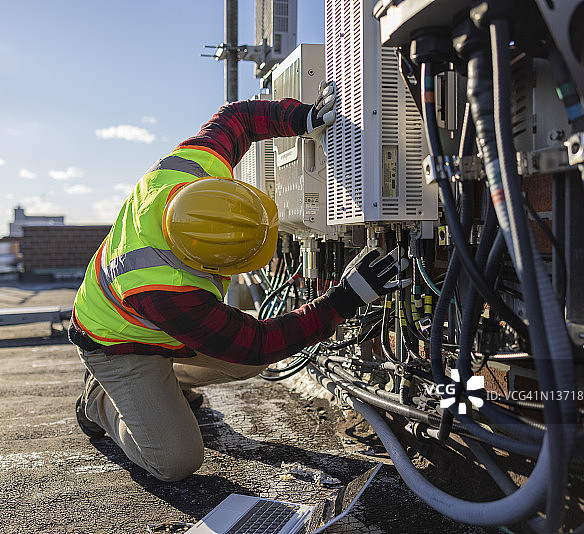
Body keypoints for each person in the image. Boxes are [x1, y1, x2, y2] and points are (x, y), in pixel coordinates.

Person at [68, 81, 405, 481]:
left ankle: (160, 391)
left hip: (160, 332)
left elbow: (239, 117)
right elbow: (256, 343)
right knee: (177, 462)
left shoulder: (188, 169)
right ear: (201, 258)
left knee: (246, 365)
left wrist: (305, 118)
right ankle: (101, 401)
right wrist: (345, 299)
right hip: (117, 345)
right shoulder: (164, 289)